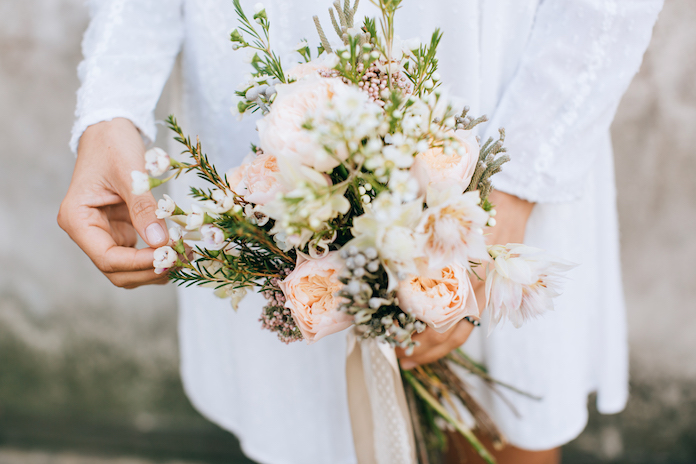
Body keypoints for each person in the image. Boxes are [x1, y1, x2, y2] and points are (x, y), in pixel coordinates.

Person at [58, 1, 663, 463]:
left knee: (494, 431)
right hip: (264, 130)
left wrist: (513, 186)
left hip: (499, 110)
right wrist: (111, 104)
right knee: (309, 432)